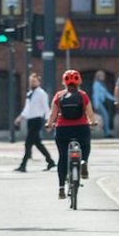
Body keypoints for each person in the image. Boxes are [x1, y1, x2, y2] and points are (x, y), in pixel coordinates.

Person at [46, 68, 97, 199]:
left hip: (63, 130)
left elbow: (53, 114)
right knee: (85, 145)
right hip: (81, 128)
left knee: (63, 157)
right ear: (79, 82)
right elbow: (90, 114)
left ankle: (61, 188)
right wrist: (92, 122)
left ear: (64, 82)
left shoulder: (59, 96)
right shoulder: (83, 95)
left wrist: (49, 124)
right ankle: (84, 161)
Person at [14, 71, 55, 172]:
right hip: (30, 121)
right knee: (38, 143)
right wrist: (20, 118)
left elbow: (46, 108)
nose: (32, 83)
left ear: (39, 82)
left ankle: (23, 165)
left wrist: (48, 122)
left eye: (34, 81)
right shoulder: (29, 93)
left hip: (37, 120)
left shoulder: (42, 94)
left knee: (28, 143)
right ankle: (50, 161)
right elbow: (27, 109)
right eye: (31, 81)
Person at [90, 69, 115, 137]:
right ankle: (107, 133)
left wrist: (114, 99)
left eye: (104, 75)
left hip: (101, 103)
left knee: (104, 117)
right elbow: (95, 95)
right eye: (102, 75)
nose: (104, 76)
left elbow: (106, 94)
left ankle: (106, 132)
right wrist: (96, 105)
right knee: (105, 116)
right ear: (98, 76)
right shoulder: (96, 84)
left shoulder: (101, 84)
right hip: (98, 104)